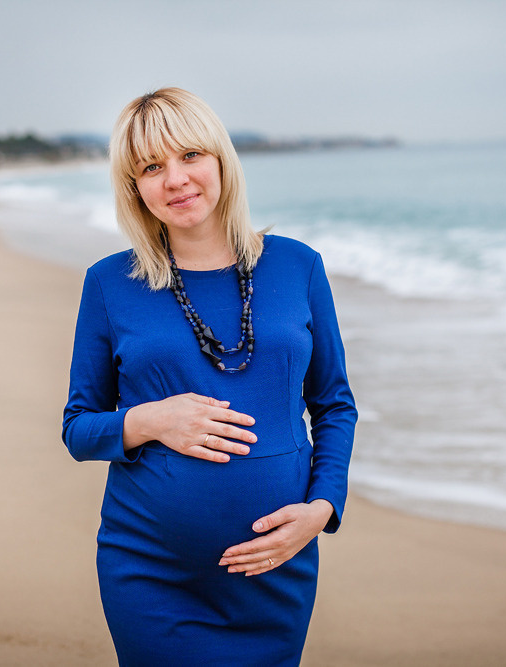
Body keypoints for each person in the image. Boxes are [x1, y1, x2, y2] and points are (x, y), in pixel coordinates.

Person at [62, 87, 357, 666]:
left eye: (190, 156)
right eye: (151, 166)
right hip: (150, 571)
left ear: (221, 160)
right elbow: (78, 429)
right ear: (134, 188)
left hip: (276, 569)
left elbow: (333, 404)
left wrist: (323, 508)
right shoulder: (109, 283)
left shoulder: (298, 265)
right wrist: (149, 419)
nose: (175, 179)